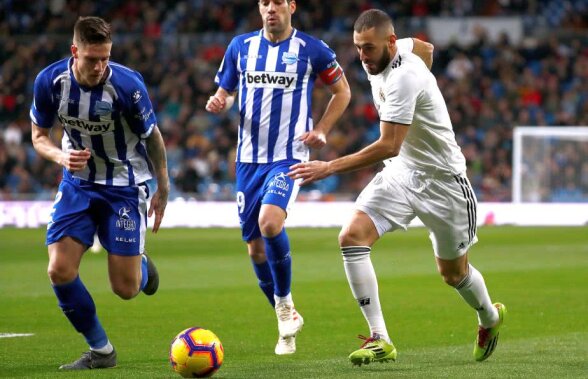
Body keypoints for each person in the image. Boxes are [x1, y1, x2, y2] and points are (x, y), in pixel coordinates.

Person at [288, 9, 505, 365]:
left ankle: (489, 318)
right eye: (358, 48)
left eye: (369, 49)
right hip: (401, 174)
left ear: (389, 42)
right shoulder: (399, 47)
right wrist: (427, 87)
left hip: (444, 184)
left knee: (453, 274)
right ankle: (380, 339)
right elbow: (428, 48)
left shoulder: (404, 78)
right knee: (351, 236)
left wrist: (329, 167)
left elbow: (389, 144)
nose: (362, 57)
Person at [205, 0, 351, 355]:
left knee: (270, 223)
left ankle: (284, 304)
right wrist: (219, 100)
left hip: (288, 156)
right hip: (247, 161)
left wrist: (322, 130)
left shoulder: (312, 49)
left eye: (278, 2)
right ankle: (286, 321)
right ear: (260, 8)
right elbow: (224, 91)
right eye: (265, 2)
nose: (272, 8)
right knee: (255, 248)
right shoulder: (240, 46)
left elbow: (342, 91)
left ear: (292, 6)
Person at [30, 16, 169, 370]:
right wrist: (61, 156)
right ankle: (101, 351)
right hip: (77, 184)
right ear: (74, 51)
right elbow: (39, 136)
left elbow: (152, 136)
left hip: (123, 186)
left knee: (124, 289)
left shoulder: (127, 85)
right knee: (59, 270)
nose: (100, 66)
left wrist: (163, 185)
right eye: (92, 59)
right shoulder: (50, 82)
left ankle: (139, 264)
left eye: (105, 58)